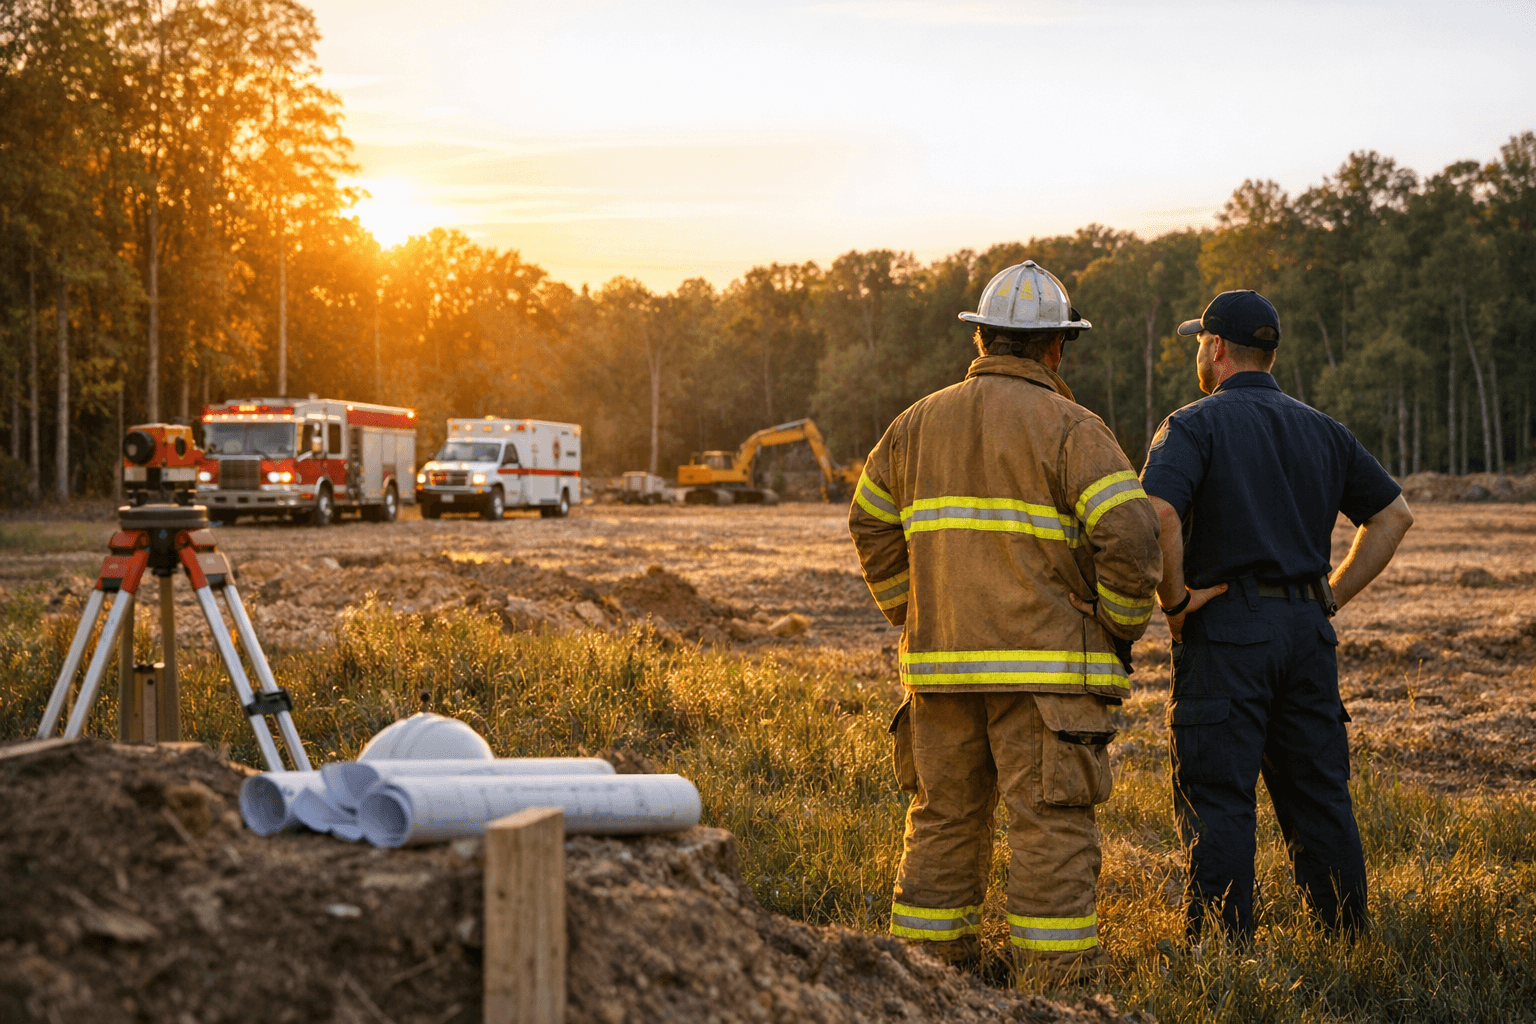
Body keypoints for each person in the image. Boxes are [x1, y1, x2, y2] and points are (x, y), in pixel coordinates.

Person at [849, 261, 1162, 987]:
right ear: (1056, 349)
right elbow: (1133, 539)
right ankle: (1054, 995)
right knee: (1050, 829)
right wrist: (1113, 628)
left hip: (940, 675)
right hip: (1047, 682)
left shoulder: (913, 424)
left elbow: (868, 521)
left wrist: (912, 609)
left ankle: (923, 985)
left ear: (984, 339)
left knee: (941, 823)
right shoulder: (1072, 429)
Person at [1140, 289, 1413, 943]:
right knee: (1319, 795)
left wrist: (1174, 603)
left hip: (1227, 631)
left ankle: (1222, 955)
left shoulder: (1192, 425)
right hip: (1307, 635)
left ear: (1216, 349)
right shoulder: (1324, 430)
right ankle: (1348, 938)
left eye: (1200, 345)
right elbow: (1393, 517)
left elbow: (1160, 512)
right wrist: (1329, 598)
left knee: (1220, 797)